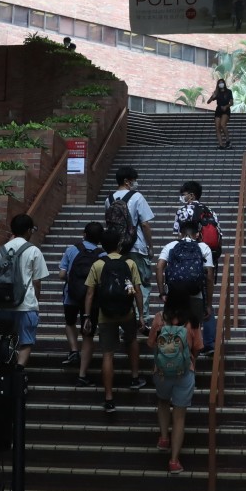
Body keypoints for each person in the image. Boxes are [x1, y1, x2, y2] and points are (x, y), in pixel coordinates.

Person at [84, 229, 146, 411]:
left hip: (105, 314)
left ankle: (109, 397)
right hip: (127, 312)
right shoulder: (129, 262)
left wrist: (87, 316)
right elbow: (137, 291)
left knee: (107, 354)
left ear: (102, 245)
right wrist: (141, 315)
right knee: (132, 340)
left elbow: (89, 293)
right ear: (120, 244)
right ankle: (135, 378)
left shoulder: (97, 264)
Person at [147, 285, 203, 475]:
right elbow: (198, 347)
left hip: (161, 371)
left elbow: (150, 343)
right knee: (179, 416)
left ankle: (164, 438)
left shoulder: (159, 318)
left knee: (163, 401)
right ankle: (174, 461)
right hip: (184, 373)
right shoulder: (192, 321)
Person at [0, 213, 49, 368]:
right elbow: (37, 281)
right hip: (26, 304)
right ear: (29, 230)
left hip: (3, 304)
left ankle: (3, 369)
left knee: (3, 337)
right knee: (26, 340)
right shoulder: (33, 250)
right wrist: (36, 301)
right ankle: (18, 371)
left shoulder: (1, 250)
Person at [173, 181, 222, 355]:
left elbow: (179, 234)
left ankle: (184, 340)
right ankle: (208, 342)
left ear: (191, 195)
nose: (182, 197)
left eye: (184, 193)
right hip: (205, 258)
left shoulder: (183, 211)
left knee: (183, 301)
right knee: (205, 303)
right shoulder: (210, 211)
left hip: (185, 261)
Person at [105, 166, 155, 334]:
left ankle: (120, 321)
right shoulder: (137, 197)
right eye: (133, 179)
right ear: (127, 181)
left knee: (121, 283)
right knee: (141, 283)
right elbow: (145, 224)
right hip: (136, 247)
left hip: (116, 248)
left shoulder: (109, 199)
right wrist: (150, 246)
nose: (135, 182)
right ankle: (144, 320)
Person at [58, 221, 106, 385]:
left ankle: (73, 350)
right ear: (100, 239)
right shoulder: (102, 254)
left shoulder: (72, 249)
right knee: (88, 335)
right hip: (92, 300)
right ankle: (82, 374)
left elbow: (61, 274)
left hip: (71, 295)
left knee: (69, 322)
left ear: (84, 234)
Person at [157, 208, 214, 345]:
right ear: (197, 234)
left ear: (180, 234)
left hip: (174, 295)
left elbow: (159, 267)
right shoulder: (203, 247)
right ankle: (191, 363)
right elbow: (210, 276)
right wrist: (208, 304)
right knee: (194, 330)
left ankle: (175, 359)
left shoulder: (171, 246)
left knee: (174, 329)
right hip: (196, 295)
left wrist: (162, 292)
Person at [206, 78, 234, 150]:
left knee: (222, 124)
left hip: (226, 109)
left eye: (222, 82)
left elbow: (231, 103)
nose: (221, 84)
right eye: (219, 83)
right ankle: (221, 144)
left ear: (224, 83)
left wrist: (226, 106)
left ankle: (227, 141)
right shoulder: (217, 92)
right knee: (217, 127)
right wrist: (213, 96)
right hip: (218, 110)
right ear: (218, 85)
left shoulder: (228, 92)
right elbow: (208, 102)